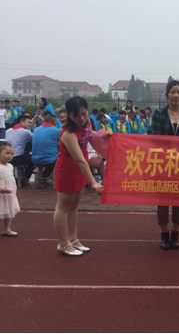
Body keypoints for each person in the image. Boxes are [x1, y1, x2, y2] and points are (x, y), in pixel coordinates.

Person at [53, 96, 105, 256]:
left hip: (80, 170)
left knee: (74, 205)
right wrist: (94, 182)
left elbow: (89, 134)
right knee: (63, 207)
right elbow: (80, 160)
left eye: (84, 113)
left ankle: (73, 239)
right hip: (68, 170)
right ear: (69, 115)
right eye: (76, 115)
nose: (81, 118)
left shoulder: (86, 123)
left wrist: (104, 135)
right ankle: (62, 243)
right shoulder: (68, 134)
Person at [151, 80, 179, 251]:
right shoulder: (159, 115)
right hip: (163, 165)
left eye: (178, 92)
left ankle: (176, 233)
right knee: (162, 202)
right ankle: (164, 235)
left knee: (178, 202)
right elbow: (156, 140)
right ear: (167, 95)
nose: (175, 95)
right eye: (172, 92)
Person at [31, 111, 59, 182]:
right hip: (50, 160)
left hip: (35, 159)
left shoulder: (36, 130)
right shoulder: (57, 131)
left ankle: (43, 179)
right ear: (54, 121)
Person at [5, 115, 34, 184]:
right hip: (17, 158)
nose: (30, 124)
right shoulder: (26, 132)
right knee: (33, 159)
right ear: (22, 122)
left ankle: (20, 177)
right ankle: (26, 178)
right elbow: (34, 140)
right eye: (28, 122)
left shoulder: (8, 131)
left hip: (6, 158)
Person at [0, 142, 20, 236]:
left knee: (9, 209)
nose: (10, 156)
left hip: (10, 194)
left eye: (12, 154)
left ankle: (7, 228)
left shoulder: (10, 166)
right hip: (1, 192)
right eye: (7, 153)